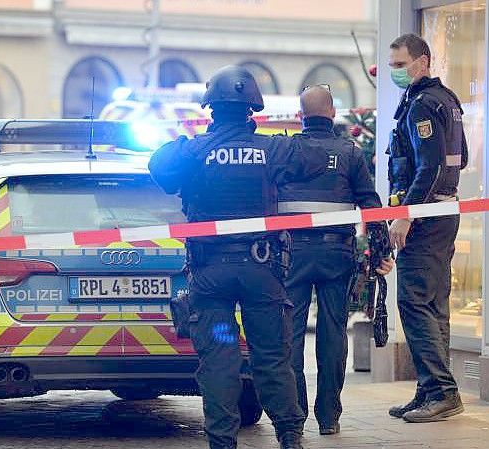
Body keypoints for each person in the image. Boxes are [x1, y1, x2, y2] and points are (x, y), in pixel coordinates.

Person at [149, 65, 329, 449]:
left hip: (211, 276)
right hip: (260, 274)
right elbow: (313, 161)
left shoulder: (193, 151)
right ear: (253, 108)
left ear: (210, 107)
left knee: (219, 359)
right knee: (270, 356)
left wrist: (189, 144)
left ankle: (222, 442)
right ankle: (289, 435)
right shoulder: (274, 148)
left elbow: (159, 169)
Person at [280, 85, 393, 435]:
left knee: (291, 335)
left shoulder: (285, 150)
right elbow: (370, 205)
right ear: (331, 114)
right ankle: (328, 417)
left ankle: (294, 417)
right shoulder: (350, 153)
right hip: (336, 254)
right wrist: (381, 254)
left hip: (292, 254)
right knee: (332, 335)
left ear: (301, 116)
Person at [386, 33, 468, 423]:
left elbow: (430, 167)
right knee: (434, 305)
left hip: (426, 217)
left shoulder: (421, 106)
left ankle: (441, 391)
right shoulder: (447, 101)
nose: (394, 72)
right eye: (391, 65)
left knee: (415, 303)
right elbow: (460, 158)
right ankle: (430, 390)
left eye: (400, 65)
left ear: (422, 62)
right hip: (444, 212)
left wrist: (405, 213)